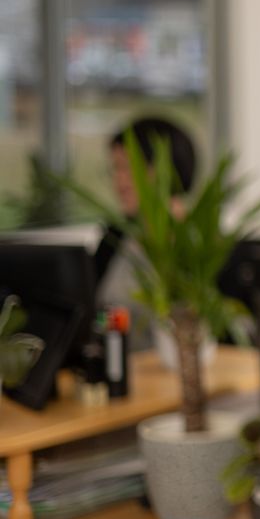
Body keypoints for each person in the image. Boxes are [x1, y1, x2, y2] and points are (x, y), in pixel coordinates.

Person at [93, 115, 198, 351]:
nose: (120, 181)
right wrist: (110, 323)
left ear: (165, 170)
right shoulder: (116, 235)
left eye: (129, 169)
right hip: (120, 367)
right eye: (116, 169)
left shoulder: (199, 245)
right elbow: (95, 313)